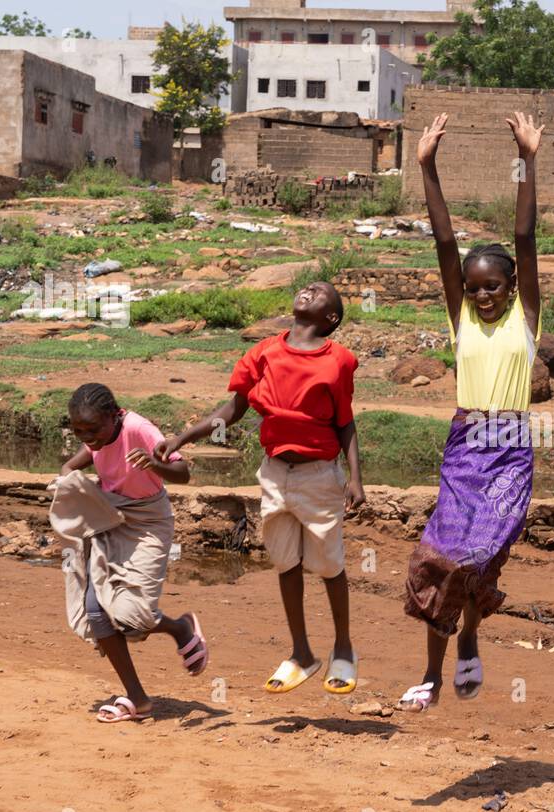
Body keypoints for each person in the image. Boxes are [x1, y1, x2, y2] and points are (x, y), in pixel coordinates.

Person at [397, 111, 545, 713]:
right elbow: (444, 242)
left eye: (493, 287)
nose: (482, 296)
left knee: (477, 557)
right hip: (465, 445)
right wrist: (426, 167)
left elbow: (527, 238)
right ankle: (432, 676)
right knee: (438, 557)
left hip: (509, 445)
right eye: (473, 287)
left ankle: (473, 636)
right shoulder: (460, 318)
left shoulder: (526, 319)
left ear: (513, 288)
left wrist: (528, 161)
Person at [157, 281, 365, 695]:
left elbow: (344, 421)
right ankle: (301, 653)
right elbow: (232, 409)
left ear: (331, 318)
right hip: (274, 473)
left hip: (320, 476)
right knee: (286, 563)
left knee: (328, 565)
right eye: (308, 286)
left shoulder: (338, 361)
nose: (309, 289)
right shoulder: (265, 351)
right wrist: (183, 438)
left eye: (321, 291)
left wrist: (355, 477)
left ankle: (343, 648)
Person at [50, 383, 207, 724]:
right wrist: (67, 481)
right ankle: (138, 698)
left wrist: (153, 464)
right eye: (78, 431)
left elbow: (183, 473)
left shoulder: (137, 428)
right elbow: (72, 465)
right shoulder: (96, 437)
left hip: (148, 522)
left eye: (93, 429)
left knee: (132, 617)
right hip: (109, 519)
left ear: (114, 415)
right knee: (96, 611)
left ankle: (180, 628)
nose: (87, 437)